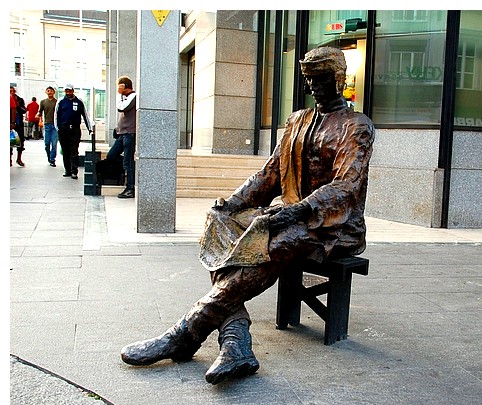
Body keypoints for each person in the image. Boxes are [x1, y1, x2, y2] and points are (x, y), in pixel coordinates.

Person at [120, 47, 375, 385]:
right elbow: (269, 173)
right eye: (309, 80)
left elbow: (346, 185)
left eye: (321, 79)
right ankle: (235, 340)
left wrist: (296, 211)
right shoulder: (297, 120)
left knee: (274, 241)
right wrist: (233, 203)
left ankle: (186, 333)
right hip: (290, 213)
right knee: (219, 221)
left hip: (331, 227)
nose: (314, 86)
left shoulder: (356, 126)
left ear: (339, 79)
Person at [106, 76, 137, 198]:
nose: (118, 89)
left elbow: (121, 107)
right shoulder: (125, 97)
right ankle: (129, 169)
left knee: (127, 161)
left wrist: (119, 94)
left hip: (129, 133)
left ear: (124, 86)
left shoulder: (134, 96)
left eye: (119, 86)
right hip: (122, 134)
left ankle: (130, 188)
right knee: (111, 156)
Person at [55, 84, 92, 179]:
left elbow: (85, 115)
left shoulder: (79, 102)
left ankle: (74, 171)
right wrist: (58, 128)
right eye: (66, 91)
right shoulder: (61, 101)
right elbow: (56, 115)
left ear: (73, 90)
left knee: (74, 150)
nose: (68, 93)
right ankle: (67, 170)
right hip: (63, 129)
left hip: (75, 129)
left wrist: (90, 128)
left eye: (69, 91)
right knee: (65, 150)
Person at [37, 87, 59, 167]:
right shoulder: (43, 102)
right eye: (48, 91)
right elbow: (40, 111)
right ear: (46, 92)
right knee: (46, 143)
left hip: (55, 125)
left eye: (51, 91)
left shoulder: (57, 102)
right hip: (47, 125)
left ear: (54, 92)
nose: (50, 92)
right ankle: (49, 157)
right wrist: (39, 117)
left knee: (54, 143)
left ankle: (52, 159)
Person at [10, 86, 26, 167]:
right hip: (10, 124)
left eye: (13, 91)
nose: (12, 92)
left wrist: (18, 105)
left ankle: (19, 158)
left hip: (19, 123)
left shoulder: (19, 99)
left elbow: (24, 110)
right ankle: (9, 159)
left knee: (21, 141)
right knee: (10, 141)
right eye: (10, 91)